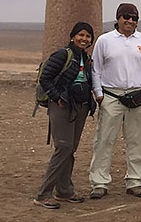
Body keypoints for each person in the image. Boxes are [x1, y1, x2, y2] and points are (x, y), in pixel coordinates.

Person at [88, 3, 141, 199]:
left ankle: (135, 181)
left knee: (138, 140)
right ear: (118, 18)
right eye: (126, 16)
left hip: (137, 95)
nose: (130, 21)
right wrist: (99, 94)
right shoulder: (105, 40)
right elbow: (96, 69)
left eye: (134, 17)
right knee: (104, 140)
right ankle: (99, 183)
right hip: (111, 95)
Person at [34, 22, 97, 209]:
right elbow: (45, 78)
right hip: (62, 106)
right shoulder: (63, 54)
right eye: (81, 35)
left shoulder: (86, 57)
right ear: (72, 36)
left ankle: (64, 190)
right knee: (63, 147)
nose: (84, 39)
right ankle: (43, 193)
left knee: (71, 148)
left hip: (81, 106)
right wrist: (56, 97)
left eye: (88, 36)